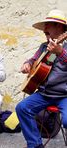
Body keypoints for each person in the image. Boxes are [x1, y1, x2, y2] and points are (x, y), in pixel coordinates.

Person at [16, 9, 67, 148]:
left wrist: (60, 52)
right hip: (44, 93)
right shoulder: (43, 46)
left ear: (60, 27)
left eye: (48, 25)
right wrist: (27, 64)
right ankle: (35, 144)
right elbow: (33, 60)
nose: (44, 29)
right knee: (22, 108)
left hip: (64, 95)